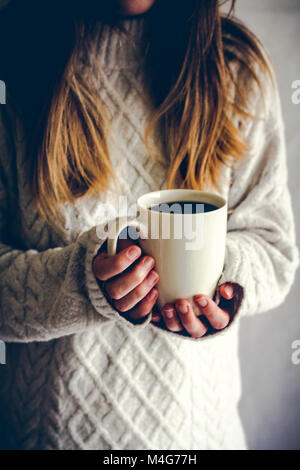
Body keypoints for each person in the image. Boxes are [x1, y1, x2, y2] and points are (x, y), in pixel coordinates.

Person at [0, 0, 298, 450]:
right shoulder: (12, 59)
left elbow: (274, 250)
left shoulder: (234, 67)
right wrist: (82, 283)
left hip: (199, 437)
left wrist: (221, 277)